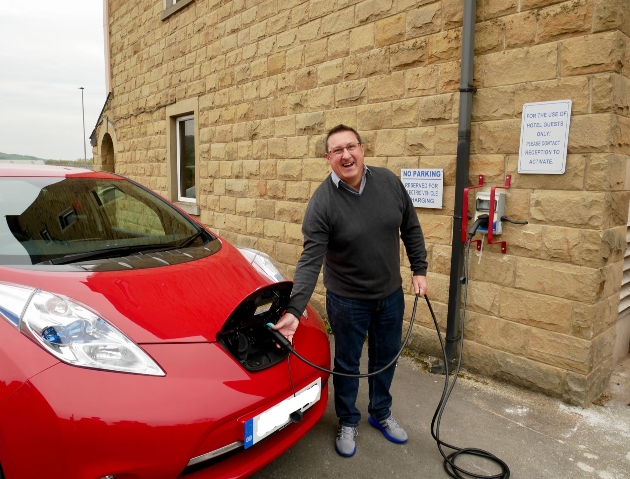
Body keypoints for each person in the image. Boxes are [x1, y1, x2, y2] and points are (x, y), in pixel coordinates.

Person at [272, 124, 428, 457]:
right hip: (347, 301)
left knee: (385, 358)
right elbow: (310, 260)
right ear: (328, 158)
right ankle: (347, 420)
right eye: (337, 150)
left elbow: (410, 227)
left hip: (390, 296)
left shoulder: (389, 182)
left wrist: (419, 269)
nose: (346, 155)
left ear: (362, 149)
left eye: (351, 147)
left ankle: (381, 412)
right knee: (346, 364)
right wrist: (294, 311)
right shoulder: (322, 203)